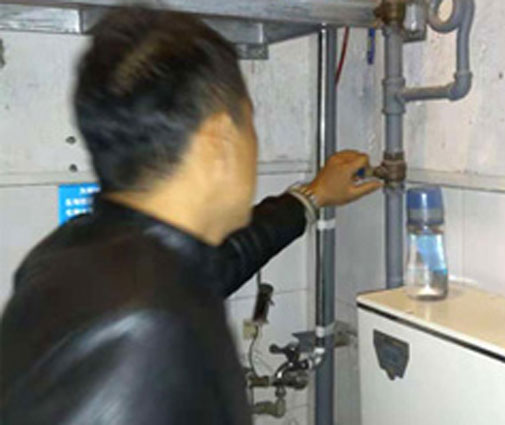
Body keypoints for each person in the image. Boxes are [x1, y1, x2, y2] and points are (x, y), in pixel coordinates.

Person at [0, 8, 381, 425]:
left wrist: (313, 195)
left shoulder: (74, 254)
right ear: (220, 140)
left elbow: (222, 259)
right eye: (249, 124)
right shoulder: (148, 329)